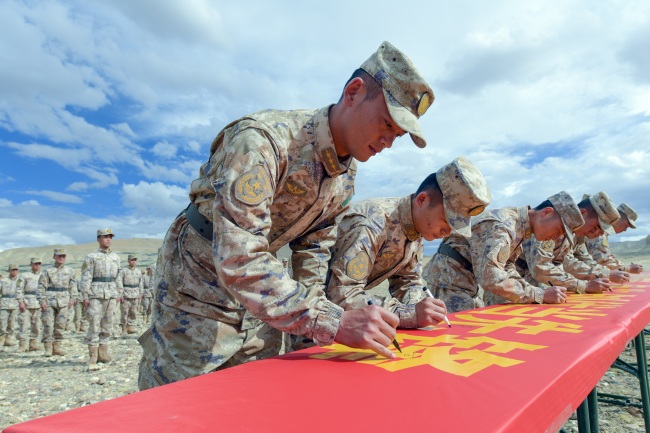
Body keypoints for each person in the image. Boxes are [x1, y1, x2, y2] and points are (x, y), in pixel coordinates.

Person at [138, 41, 436, 390]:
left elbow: (314, 252)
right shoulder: (263, 141)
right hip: (197, 285)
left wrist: (312, 332)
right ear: (354, 92)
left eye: (397, 135)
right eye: (386, 123)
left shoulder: (344, 177)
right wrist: (333, 322)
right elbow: (239, 256)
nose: (388, 141)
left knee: (253, 394)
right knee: (180, 399)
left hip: (265, 294)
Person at [327, 156, 490, 325]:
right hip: (313, 317)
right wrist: (408, 313)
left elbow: (407, 282)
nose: (448, 233)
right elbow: (341, 294)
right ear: (422, 200)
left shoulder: (416, 231)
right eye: (447, 221)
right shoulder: (374, 221)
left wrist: (420, 308)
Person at [423, 191, 584, 313]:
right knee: (460, 339)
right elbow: (490, 276)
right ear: (547, 212)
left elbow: (506, 268)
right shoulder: (504, 226)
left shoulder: (519, 228)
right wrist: (539, 294)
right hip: (450, 281)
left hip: (463, 281)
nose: (557, 237)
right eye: (559, 229)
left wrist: (535, 292)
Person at [518, 191, 624, 294]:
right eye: (596, 227)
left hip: (529, 283)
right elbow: (540, 268)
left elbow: (567, 261)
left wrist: (602, 274)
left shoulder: (571, 235)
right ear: (582, 213)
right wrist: (584, 286)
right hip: (517, 282)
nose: (597, 233)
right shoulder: (551, 226)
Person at [80, 228, 121, 371]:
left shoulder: (115, 257)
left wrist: (119, 292)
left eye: (110, 237)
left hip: (111, 293)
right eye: (105, 237)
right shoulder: (91, 257)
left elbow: (118, 276)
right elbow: (86, 277)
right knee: (94, 323)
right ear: (98, 239)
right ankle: (93, 355)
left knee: (108, 323)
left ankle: (103, 353)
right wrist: (85, 295)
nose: (108, 239)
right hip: (95, 294)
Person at [37, 250, 77, 356]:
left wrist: (73, 299)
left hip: (64, 300)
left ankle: (57, 346)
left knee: (60, 324)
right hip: (49, 300)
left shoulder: (70, 271)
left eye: (63, 256)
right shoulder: (47, 271)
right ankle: (48, 348)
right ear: (54, 257)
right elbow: (41, 286)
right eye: (59, 256)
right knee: (48, 324)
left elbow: (73, 286)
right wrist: (42, 300)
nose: (61, 258)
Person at [586, 203, 644, 273]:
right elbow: (601, 259)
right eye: (626, 225)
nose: (625, 230)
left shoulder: (604, 233)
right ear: (618, 218)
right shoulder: (599, 232)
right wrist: (627, 268)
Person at [15, 258, 43, 352]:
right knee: (24, 325)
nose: (37, 266)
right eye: (35, 264)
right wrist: (20, 301)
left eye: (39, 264)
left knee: (37, 326)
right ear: (31, 264)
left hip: (39, 303)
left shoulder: (44, 275)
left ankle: (33, 344)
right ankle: (22, 345)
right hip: (26, 303)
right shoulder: (25, 275)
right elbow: (19, 289)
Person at [116, 254, 144, 336]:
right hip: (126, 293)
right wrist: (120, 294)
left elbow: (140, 283)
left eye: (135, 260)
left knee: (133, 312)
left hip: (135, 293)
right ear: (128, 261)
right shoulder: (123, 271)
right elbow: (119, 282)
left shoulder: (138, 271)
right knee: (124, 312)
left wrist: (140, 294)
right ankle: (124, 328)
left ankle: (130, 327)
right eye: (132, 260)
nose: (133, 261)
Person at [0, 264, 20, 350]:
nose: (14, 271)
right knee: (2, 323)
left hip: (15, 304)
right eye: (12, 270)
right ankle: (1, 340)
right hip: (4, 303)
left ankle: (8, 339)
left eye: (16, 270)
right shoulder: (3, 280)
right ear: (9, 271)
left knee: (12, 324)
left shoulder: (20, 280)